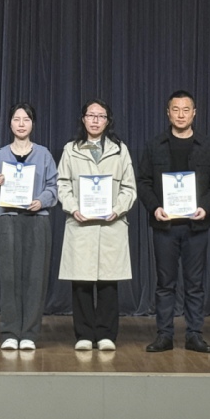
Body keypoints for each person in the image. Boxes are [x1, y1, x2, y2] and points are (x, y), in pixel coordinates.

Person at [137, 89, 210, 354]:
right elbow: (143, 181)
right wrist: (155, 208)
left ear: (194, 113)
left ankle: (194, 335)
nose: (181, 115)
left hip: (196, 225)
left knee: (195, 284)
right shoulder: (154, 145)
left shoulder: (207, 146)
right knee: (165, 284)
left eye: (186, 110)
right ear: (168, 113)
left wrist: (205, 207)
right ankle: (164, 335)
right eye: (175, 110)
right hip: (164, 225)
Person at [57, 99, 137, 352]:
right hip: (81, 225)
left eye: (100, 116)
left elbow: (129, 187)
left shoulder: (119, 150)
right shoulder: (71, 149)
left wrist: (117, 209)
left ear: (108, 121)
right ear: (83, 119)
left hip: (111, 225)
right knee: (81, 282)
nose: (95, 120)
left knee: (108, 283)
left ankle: (106, 334)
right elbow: (62, 184)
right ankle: (83, 334)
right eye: (90, 115)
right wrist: (73, 207)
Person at [0, 103, 59, 351]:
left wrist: (42, 201)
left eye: (26, 119)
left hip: (37, 220)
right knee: (9, 277)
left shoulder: (44, 155)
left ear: (32, 124)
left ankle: (29, 334)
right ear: (10, 123)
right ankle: (10, 332)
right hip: (7, 220)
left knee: (36, 277)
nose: (21, 124)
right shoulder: (0, 156)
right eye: (17, 119)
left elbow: (54, 187)